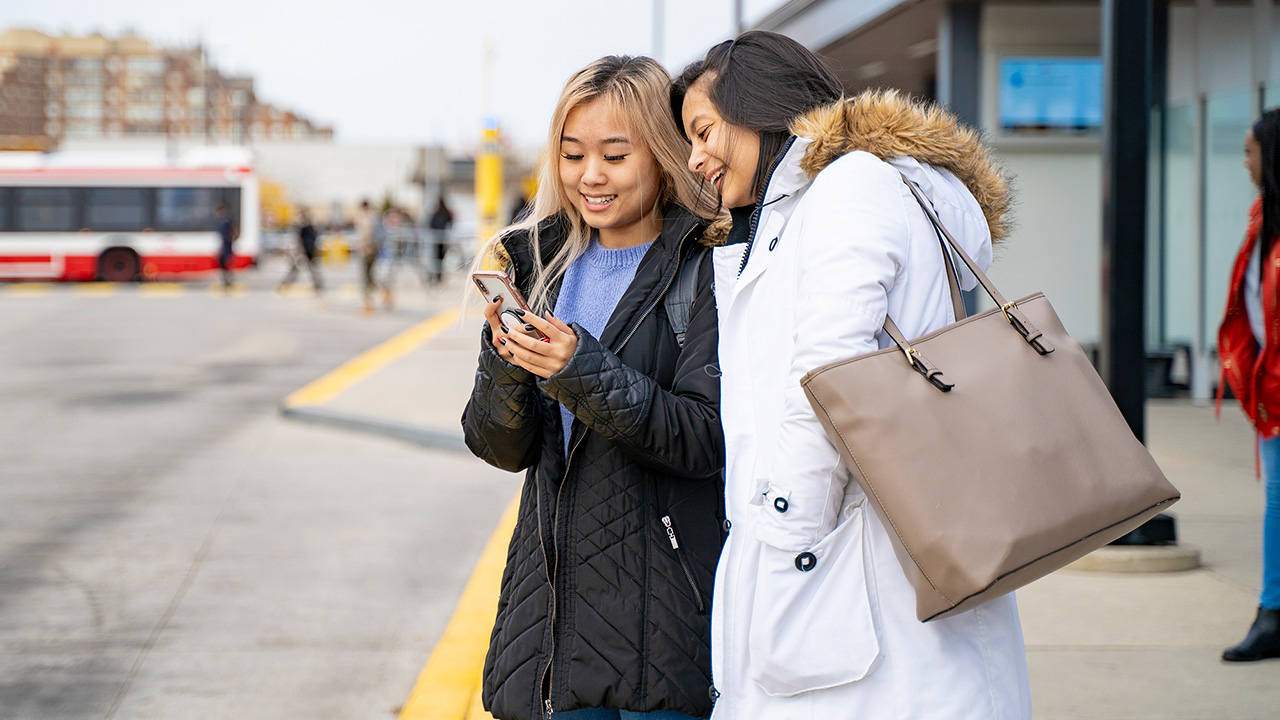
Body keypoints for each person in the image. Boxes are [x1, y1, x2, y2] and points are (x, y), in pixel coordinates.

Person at [671, 32, 1031, 717]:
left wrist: (783, 542)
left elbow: (829, 374)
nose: (696, 157)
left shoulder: (848, 186)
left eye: (704, 129)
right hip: (882, 546)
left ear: (759, 105)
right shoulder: (823, 199)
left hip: (854, 556)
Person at [461, 55, 724, 720]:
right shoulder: (536, 263)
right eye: (573, 154)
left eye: (614, 154)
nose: (590, 177)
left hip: (662, 632)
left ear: (662, 155)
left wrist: (578, 369)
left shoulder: (706, 268)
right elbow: (499, 447)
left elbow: (704, 439)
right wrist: (507, 359)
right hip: (548, 631)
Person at [1217, 107, 1280, 663]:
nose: (1244, 162)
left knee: (1278, 503)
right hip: (1270, 390)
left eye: (1250, 151)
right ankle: (1272, 610)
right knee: (1276, 501)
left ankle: (1271, 611)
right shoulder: (1265, 217)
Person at [277, 208, 323, 292]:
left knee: (302, 269)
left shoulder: (305, 228)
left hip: (304, 252)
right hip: (303, 252)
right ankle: (285, 284)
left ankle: (285, 284)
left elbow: (303, 240)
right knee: (301, 269)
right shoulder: (306, 228)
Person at [353, 200, 384, 313]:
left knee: (366, 275)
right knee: (370, 274)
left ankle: (368, 299)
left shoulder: (363, 218)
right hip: (372, 248)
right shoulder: (374, 217)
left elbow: (364, 235)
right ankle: (377, 294)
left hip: (366, 249)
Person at [428, 196, 454, 284]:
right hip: (442, 239)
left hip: (438, 239)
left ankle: (437, 275)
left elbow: (430, 223)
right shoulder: (444, 212)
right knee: (440, 258)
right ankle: (438, 275)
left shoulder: (437, 212)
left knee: (436, 258)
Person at [214, 201, 236, 289]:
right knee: (224, 264)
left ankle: (227, 280)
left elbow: (229, 234)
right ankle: (227, 279)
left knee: (224, 263)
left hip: (225, 246)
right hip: (226, 245)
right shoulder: (226, 220)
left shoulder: (225, 221)